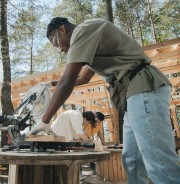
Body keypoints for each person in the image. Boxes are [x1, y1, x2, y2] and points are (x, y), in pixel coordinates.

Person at [27, 17, 180, 183]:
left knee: (159, 161)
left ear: (62, 29)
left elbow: (68, 80)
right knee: (132, 161)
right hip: (133, 96)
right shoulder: (90, 43)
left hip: (144, 88)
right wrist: (50, 83)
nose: (61, 49)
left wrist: (44, 121)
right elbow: (82, 79)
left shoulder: (83, 30)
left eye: (57, 43)